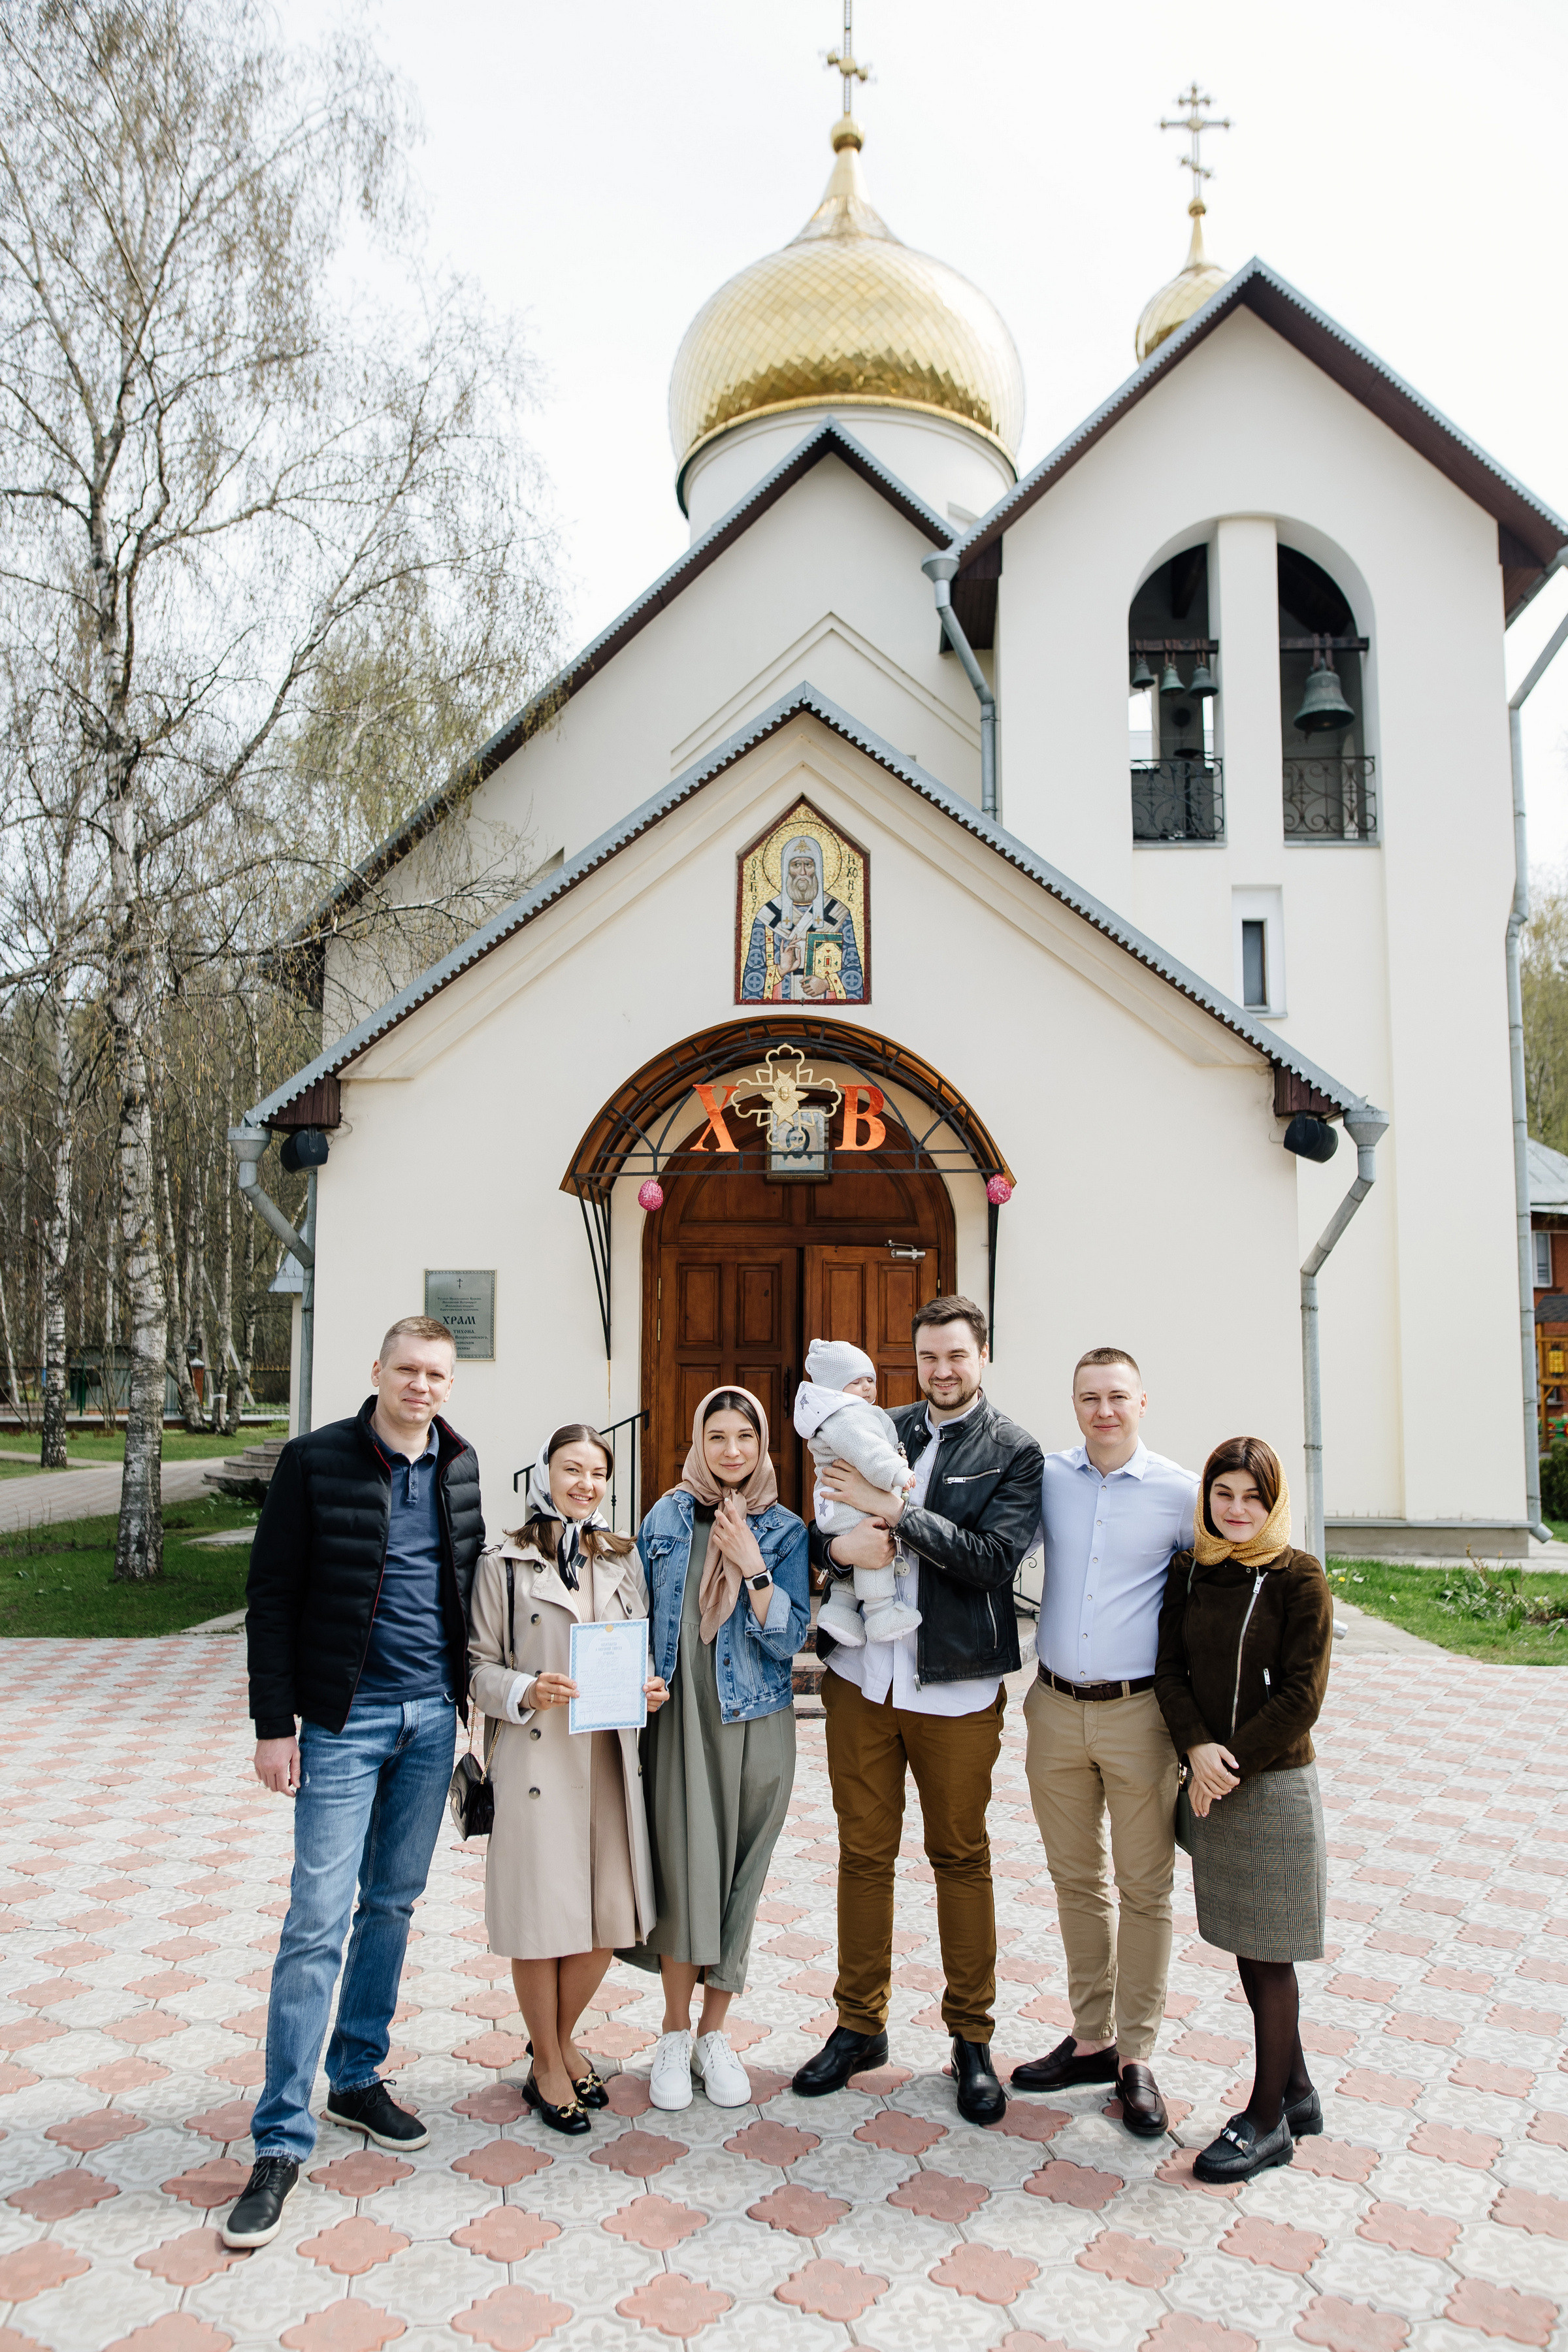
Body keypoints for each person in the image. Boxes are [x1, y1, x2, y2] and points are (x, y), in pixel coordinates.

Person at [225, 1316, 485, 2250]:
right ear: (377, 1372)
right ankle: (279, 2140)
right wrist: (273, 1726)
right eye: (407, 1370)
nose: (421, 1386)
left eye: (436, 1374)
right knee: (315, 1921)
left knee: (395, 1905)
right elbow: (272, 1593)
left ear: (450, 1385)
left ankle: (358, 2075)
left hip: (428, 1721)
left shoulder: (460, 1466)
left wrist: (474, 1706)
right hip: (342, 1722)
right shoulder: (314, 1462)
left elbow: (467, 1589)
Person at [791, 1297, 1043, 2129]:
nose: (941, 1370)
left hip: (956, 1689)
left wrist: (897, 1511)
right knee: (863, 1856)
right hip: (864, 1680)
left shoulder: (1014, 1451)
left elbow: (990, 1563)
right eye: (928, 1355)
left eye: (956, 1356)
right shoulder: (874, 1426)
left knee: (959, 1858)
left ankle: (971, 2038)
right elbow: (822, 1529)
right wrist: (836, 1548)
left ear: (982, 1357)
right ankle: (860, 2024)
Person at [1011, 1348, 1197, 2140]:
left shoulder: (1181, 1493)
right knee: (1075, 1879)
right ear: (1075, 1404)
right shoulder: (1048, 1477)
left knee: (1145, 1888)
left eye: (1117, 1397)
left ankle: (1137, 2056)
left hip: (1140, 1715)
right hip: (1053, 1706)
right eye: (1089, 1398)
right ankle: (1092, 2038)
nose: (1104, 1411)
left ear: (1143, 1402)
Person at [467, 1424, 669, 2134]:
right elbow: (476, 1665)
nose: (584, 1483)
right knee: (541, 1921)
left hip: (608, 1757)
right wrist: (525, 1688)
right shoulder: (505, 1559)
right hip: (536, 1758)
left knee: (605, 1918)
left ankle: (554, 2043)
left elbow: (640, 1646)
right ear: (545, 1472)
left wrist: (647, 1689)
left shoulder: (621, 1556)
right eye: (570, 1468)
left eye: (596, 1472)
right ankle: (550, 2065)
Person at [1154, 1437, 1331, 2183]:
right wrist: (1196, 1748)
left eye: (1252, 1497)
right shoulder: (1192, 1569)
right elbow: (1169, 1667)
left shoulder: (1300, 1577)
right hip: (1208, 1775)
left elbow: (1302, 1694)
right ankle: (1297, 2092)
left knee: (1269, 1953)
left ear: (1273, 1501)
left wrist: (1224, 1765)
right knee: (1244, 1943)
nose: (1236, 1510)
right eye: (1223, 1494)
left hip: (1270, 1785)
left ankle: (1266, 2123)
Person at [627, 1388, 810, 2110]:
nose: (731, 1451)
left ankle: (713, 2035)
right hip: (679, 1717)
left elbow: (790, 1640)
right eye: (717, 1436)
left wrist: (753, 1564)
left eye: (744, 1437)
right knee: (686, 1871)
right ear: (698, 1442)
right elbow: (636, 1612)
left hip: (757, 1719)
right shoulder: (665, 1517)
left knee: (739, 1874)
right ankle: (673, 2035)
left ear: (763, 1445)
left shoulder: (789, 1529)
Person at [793, 1337, 918, 1646]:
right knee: (873, 1548)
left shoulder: (844, 1414)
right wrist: (897, 1472)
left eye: (869, 1380)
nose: (866, 1388)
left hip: (835, 1505)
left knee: (859, 1551)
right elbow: (869, 1452)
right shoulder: (848, 1417)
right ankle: (881, 1613)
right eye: (855, 1381)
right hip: (848, 1506)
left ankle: (839, 1609)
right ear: (836, 1388)